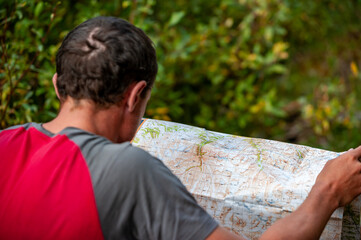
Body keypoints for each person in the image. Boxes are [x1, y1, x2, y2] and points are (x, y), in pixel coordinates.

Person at [0, 16, 361, 240]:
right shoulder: (126, 171)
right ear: (136, 96)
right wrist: (328, 191)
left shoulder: (5, 144)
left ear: (56, 85)